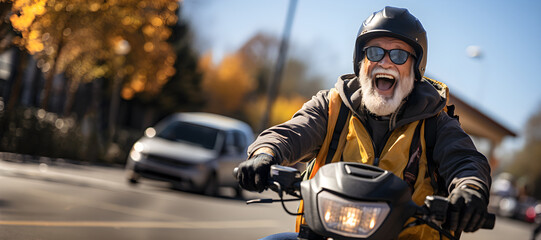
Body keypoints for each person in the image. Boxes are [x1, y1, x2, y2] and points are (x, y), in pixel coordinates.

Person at [236, 6, 491, 239]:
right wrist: (264, 154)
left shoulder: (436, 122)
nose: (385, 61)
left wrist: (469, 190)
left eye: (400, 55)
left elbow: (466, 160)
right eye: (375, 52)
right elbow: (293, 131)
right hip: (326, 233)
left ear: (416, 69)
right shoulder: (331, 105)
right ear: (362, 62)